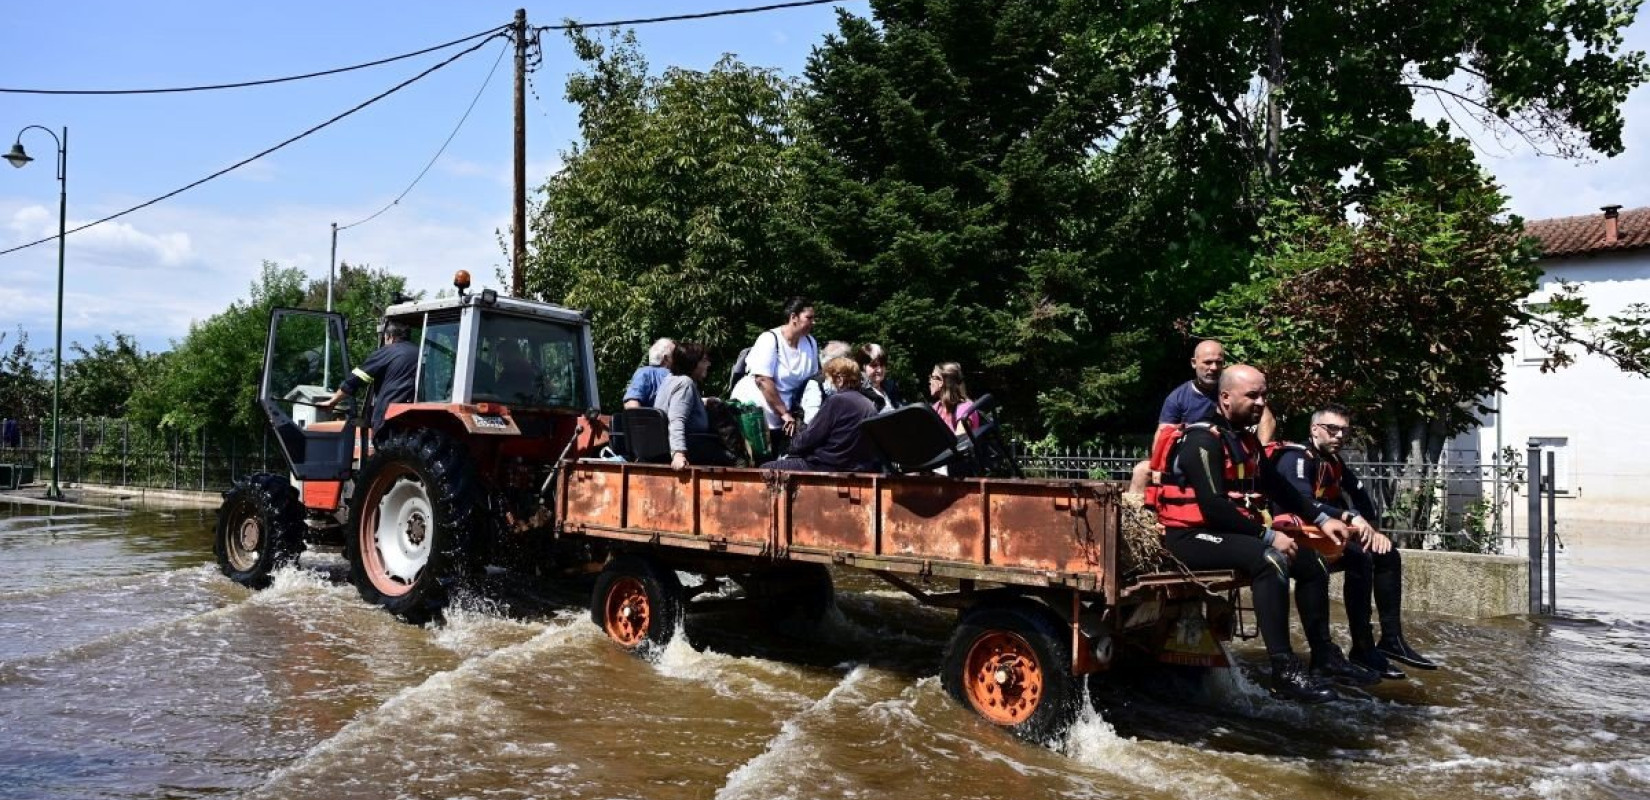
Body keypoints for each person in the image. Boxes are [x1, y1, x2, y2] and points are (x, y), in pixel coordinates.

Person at [1155, 364, 1363, 703]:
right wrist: (1268, 536)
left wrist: (1323, 520)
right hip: (1190, 538)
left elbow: (1280, 488)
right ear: (1225, 397)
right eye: (1252, 395)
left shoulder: (1246, 440)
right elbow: (1213, 507)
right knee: (1271, 559)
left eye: (1263, 395)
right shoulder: (1202, 440)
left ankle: (1324, 656)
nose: (1260, 402)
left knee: (1312, 563)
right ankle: (1284, 669)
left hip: (1228, 534)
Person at [1269, 404, 1439, 678]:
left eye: (1344, 431)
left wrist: (1371, 530)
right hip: (1294, 538)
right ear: (1315, 429)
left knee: (1385, 554)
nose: (1339, 436)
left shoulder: (1334, 461)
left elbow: (1360, 494)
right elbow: (1302, 502)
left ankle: (1385, 642)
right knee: (1355, 559)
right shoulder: (1296, 459)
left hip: (1325, 535)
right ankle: (1329, 654)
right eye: (1332, 429)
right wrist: (1349, 517)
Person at [1130, 340, 1277, 494]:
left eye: (1218, 363)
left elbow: (1267, 420)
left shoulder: (1237, 389)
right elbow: (1163, 432)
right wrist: (1157, 467)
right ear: (1194, 363)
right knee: (1141, 472)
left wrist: (1260, 454)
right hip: (1190, 457)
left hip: (1232, 455)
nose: (1213, 368)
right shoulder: (1178, 398)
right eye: (1207, 362)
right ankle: (1137, 516)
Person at [762, 357, 879, 472]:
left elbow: (811, 437)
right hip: (854, 466)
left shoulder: (837, 401)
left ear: (839, 379)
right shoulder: (868, 404)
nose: (826, 383)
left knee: (764, 469)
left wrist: (792, 445)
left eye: (828, 378)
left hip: (826, 465)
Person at [745, 297, 821, 452]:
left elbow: (813, 381)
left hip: (791, 418)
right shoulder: (770, 339)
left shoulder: (811, 343)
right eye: (809, 318)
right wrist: (784, 413)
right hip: (762, 417)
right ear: (793, 317)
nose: (814, 322)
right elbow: (763, 380)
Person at [317, 320, 417, 434]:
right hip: (414, 417)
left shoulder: (388, 352)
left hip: (389, 417)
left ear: (390, 337)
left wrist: (332, 402)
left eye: (384, 339)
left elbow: (356, 379)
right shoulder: (420, 352)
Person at [654, 342, 736, 470]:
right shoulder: (685, 383)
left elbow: (676, 404)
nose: (708, 364)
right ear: (692, 363)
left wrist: (703, 401)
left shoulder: (670, 379)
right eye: (704, 360)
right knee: (734, 459)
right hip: (692, 447)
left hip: (668, 444)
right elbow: (676, 419)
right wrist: (679, 454)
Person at [929, 362, 981, 433]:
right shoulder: (936, 408)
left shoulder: (964, 408)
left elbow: (961, 440)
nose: (930, 381)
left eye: (932, 377)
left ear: (941, 382)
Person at [623, 338, 674, 409]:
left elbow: (631, 405)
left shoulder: (643, 373)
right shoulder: (675, 376)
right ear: (666, 358)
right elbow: (632, 404)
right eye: (675, 355)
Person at [853, 343, 902, 412]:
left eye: (882, 365)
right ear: (863, 367)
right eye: (874, 365)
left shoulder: (891, 388)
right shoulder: (858, 393)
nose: (879, 370)